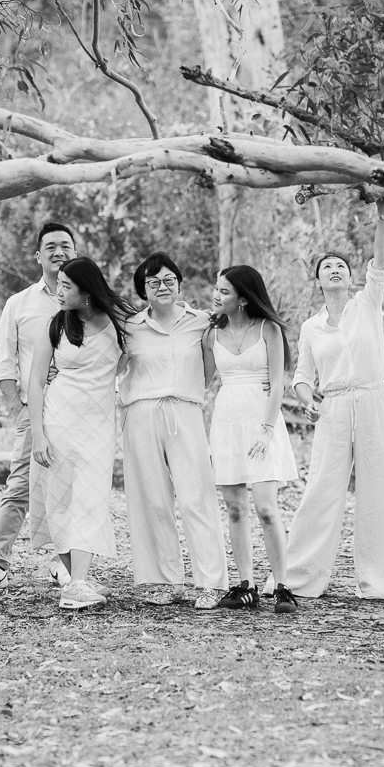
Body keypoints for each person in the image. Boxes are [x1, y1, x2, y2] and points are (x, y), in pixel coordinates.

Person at [287, 198, 384, 600]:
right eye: (327, 267)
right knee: (321, 489)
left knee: (379, 488)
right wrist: (307, 400)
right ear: (318, 280)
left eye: (341, 266)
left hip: (373, 399)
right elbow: (302, 377)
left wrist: (382, 215)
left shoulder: (368, 303)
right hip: (334, 406)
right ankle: (301, 577)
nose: (335, 270)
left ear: (352, 277)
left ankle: (382, 583)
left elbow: (380, 258)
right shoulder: (311, 327)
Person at [120, 252, 229, 610]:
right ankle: (163, 580)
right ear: (143, 290)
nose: (162, 287)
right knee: (152, 498)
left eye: (168, 280)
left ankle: (211, 582)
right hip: (141, 413)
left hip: (184, 410)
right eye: (153, 282)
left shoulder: (201, 322)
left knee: (195, 496)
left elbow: (211, 367)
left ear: (179, 285)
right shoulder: (131, 327)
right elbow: (110, 365)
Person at [26, 257, 135, 611]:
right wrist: (38, 435)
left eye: (66, 287)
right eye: (58, 285)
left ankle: (78, 581)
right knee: (58, 497)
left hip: (99, 423)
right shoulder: (56, 325)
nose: (58, 291)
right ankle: (76, 582)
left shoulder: (120, 323)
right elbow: (36, 382)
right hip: (59, 420)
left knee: (91, 496)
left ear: (86, 291)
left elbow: (135, 358)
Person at [206, 265, 301, 614]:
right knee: (234, 509)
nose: (216, 296)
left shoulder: (268, 329)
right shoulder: (211, 334)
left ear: (243, 299)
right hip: (226, 421)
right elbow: (203, 379)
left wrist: (266, 429)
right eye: (216, 289)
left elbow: (277, 383)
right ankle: (246, 584)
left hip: (261, 422)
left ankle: (282, 585)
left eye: (224, 292)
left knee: (266, 508)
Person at [0, 222, 76, 582]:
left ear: (76, 252)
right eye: (51, 247)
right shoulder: (19, 303)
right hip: (34, 411)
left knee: (70, 486)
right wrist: (20, 409)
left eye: (66, 246)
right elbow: (4, 362)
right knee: (20, 485)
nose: (59, 252)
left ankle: (65, 562)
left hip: (77, 409)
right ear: (38, 255)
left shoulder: (89, 303)